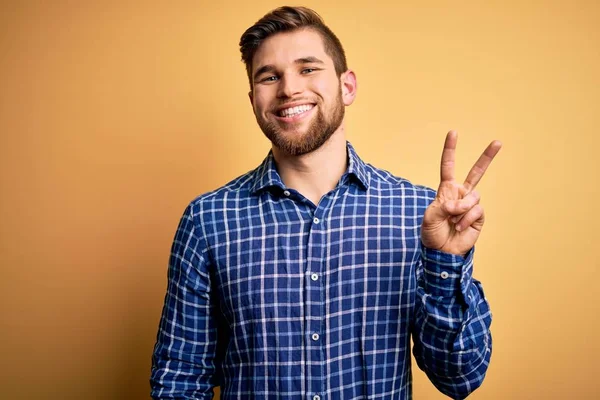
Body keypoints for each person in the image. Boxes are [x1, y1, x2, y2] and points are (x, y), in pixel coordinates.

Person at [150, 6, 501, 400]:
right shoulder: (207, 220)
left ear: (347, 86)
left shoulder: (418, 214)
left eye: (308, 68)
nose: (288, 89)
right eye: (270, 76)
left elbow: (460, 378)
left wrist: (445, 263)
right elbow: (180, 381)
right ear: (253, 99)